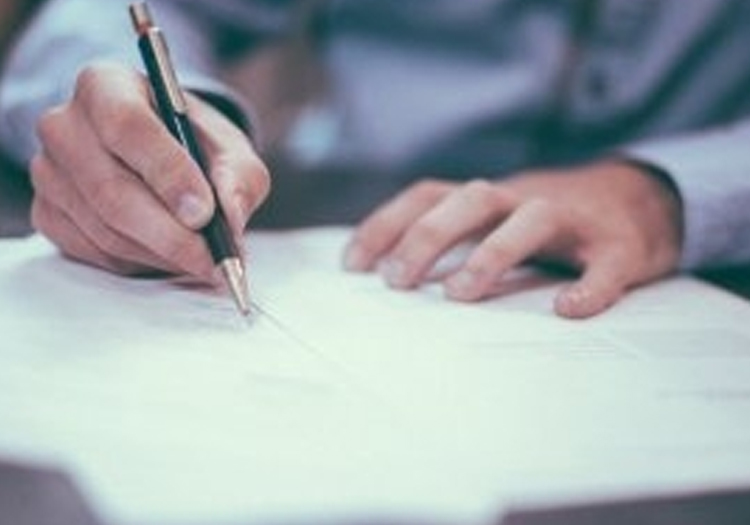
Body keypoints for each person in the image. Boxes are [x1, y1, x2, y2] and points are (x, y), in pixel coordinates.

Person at [1, 0, 750, 319]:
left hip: (711, 263)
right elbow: (131, 10)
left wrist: (669, 192)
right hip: (356, 231)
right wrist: (136, 119)